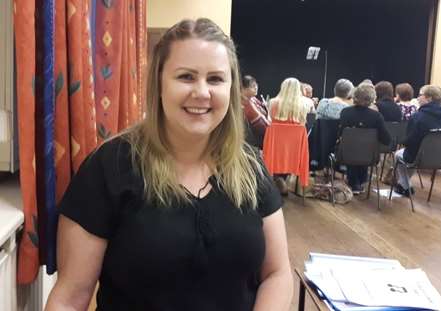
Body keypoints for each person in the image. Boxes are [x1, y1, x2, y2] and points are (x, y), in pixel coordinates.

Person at [45, 18, 293, 311]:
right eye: (186, 77)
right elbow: (69, 299)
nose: (202, 92)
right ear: (159, 84)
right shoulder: (109, 167)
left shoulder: (251, 169)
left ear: (231, 88)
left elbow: (278, 273)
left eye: (215, 79)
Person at [394, 85, 441, 196]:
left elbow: (410, 141)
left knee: (400, 155)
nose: (417, 98)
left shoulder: (418, 116)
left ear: (429, 98)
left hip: (420, 158)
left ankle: (405, 185)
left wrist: (403, 141)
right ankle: (403, 185)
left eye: (420, 95)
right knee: (410, 155)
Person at [339, 84, 391, 194]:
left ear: (355, 96)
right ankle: (360, 181)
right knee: (364, 148)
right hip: (369, 156)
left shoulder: (345, 112)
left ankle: (354, 182)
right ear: (371, 99)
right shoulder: (377, 116)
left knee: (353, 146)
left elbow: (340, 134)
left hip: (346, 154)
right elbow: (387, 140)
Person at [269, 77, 309, 195]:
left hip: (275, 146)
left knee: (277, 153)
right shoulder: (303, 105)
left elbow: (271, 119)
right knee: (289, 155)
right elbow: (303, 123)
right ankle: (282, 179)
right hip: (294, 150)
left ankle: (278, 178)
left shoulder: (273, 102)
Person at [241, 75, 271, 149]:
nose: (256, 88)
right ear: (243, 89)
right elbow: (263, 127)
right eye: (253, 86)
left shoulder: (253, 99)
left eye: (256, 85)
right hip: (254, 144)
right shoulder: (245, 103)